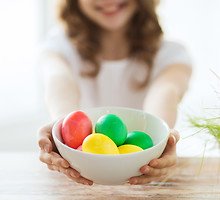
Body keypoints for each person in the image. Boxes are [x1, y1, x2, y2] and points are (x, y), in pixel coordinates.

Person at [37, 0, 192, 186]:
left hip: (145, 179)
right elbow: (59, 80)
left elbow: (166, 91)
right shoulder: (58, 47)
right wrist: (62, 124)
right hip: (75, 180)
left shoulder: (172, 54)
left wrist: (160, 138)